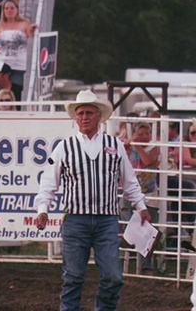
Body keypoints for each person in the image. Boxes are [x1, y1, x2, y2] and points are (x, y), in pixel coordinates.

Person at [34, 90, 152, 311]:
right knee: (73, 277)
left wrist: (141, 206)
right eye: (80, 113)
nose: (84, 117)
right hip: (75, 220)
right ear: (75, 117)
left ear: (99, 116)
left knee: (113, 276)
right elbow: (49, 182)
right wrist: (43, 209)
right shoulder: (64, 147)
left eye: (89, 113)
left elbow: (129, 180)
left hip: (106, 220)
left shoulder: (114, 145)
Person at [124, 121, 159, 273]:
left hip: (149, 194)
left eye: (147, 133)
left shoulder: (155, 147)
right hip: (131, 193)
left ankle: (146, 264)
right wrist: (129, 143)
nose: (145, 137)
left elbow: (148, 161)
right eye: (141, 134)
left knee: (149, 230)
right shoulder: (129, 148)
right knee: (127, 225)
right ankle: (128, 259)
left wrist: (136, 145)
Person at [0, 0, 37, 86]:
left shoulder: (25, 23)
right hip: (1, 62)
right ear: (3, 11)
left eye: (12, 8)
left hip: (19, 64)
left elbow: (31, 40)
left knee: (17, 87)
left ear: (17, 10)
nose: (9, 10)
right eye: (6, 8)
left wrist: (31, 31)